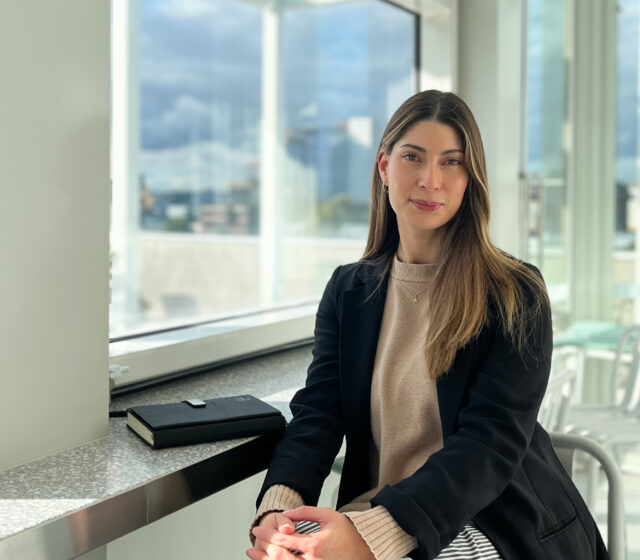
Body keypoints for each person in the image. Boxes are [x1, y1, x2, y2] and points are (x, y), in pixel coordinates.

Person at [246, 90, 608, 560]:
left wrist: (371, 537)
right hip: (379, 512)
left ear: (468, 180)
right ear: (383, 167)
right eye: (413, 157)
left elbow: (489, 444)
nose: (429, 180)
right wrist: (281, 508)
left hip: (492, 520)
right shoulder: (348, 290)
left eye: (451, 163)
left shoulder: (516, 292)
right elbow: (319, 413)